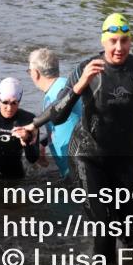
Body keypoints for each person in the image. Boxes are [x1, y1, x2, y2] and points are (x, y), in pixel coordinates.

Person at [13, 13, 133, 260]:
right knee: (105, 229)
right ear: (103, 42)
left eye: (124, 40)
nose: (119, 47)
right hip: (88, 157)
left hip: (125, 159)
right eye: (113, 41)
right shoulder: (86, 69)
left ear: (130, 41)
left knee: (129, 236)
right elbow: (59, 115)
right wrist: (80, 85)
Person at [27, 48, 81, 180]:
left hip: (78, 171)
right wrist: (43, 143)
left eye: (29, 71)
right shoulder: (61, 87)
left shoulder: (61, 91)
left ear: (35, 73)